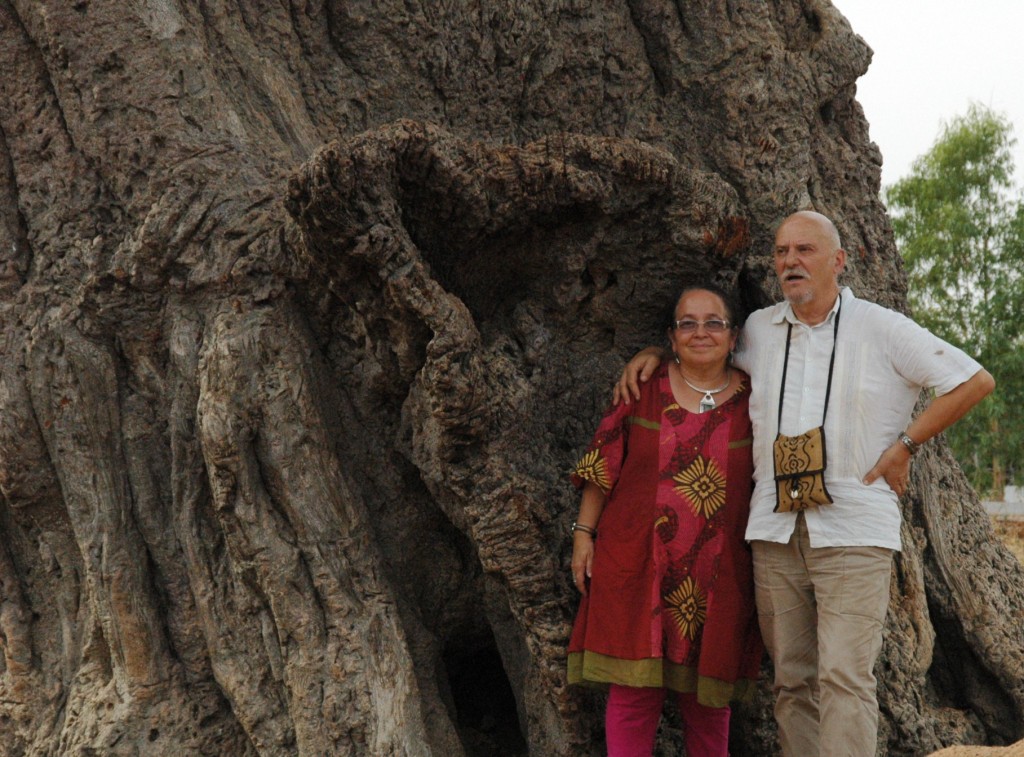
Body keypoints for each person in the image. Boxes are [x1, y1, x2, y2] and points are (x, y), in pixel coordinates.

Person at [614, 210, 995, 756]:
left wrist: (905, 446)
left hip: (854, 528)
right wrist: (656, 353)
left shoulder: (881, 328)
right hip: (774, 531)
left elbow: (972, 381)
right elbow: (705, 352)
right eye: (781, 252)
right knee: (791, 682)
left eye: (805, 250)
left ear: (839, 261)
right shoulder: (761, 331)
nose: (790, 261)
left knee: (844, 677)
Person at [568, 284, 763, 757]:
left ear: (733, 335)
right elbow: (603, 464)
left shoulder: (758, 401)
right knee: (633, 695)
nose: (701, 332)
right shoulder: (641, 391)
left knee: (709, 705)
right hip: (637, 564)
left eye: (713, 322)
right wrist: (583, 534)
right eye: (687, 323)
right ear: (671, 337)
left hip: (722, 576)